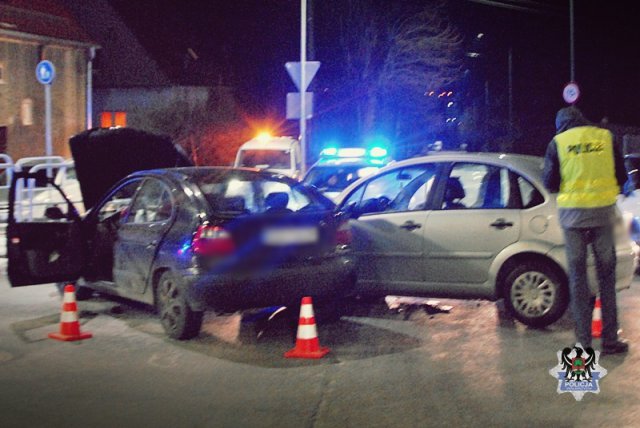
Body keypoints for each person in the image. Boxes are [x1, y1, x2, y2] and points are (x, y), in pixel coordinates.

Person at [543, 106, 629, 354]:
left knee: (578, 280)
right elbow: (621, 176)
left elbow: (550, 182)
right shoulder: (605, 137)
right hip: (603, 215)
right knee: (607, 279)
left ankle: (583, 343)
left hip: (573, 219)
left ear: (561, 125)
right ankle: (610, 341)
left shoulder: (557, 143)